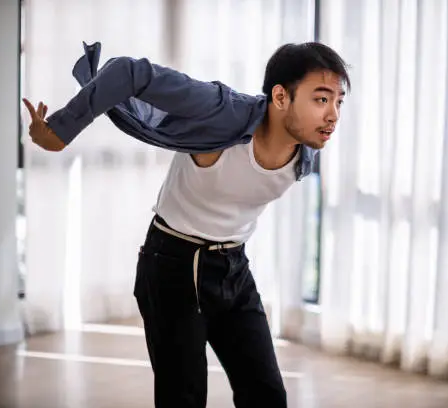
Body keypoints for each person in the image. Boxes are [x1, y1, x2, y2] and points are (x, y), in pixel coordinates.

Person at [23, 40, 350, 408]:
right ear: (279, 97)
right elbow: (130, 72)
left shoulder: (304, 150)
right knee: (184, 398)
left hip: (233, 267)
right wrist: (60, 129)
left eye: (338, 102)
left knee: (267, 394)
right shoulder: (220, 111)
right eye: (321, 99)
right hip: (173, 265)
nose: (333, 114)